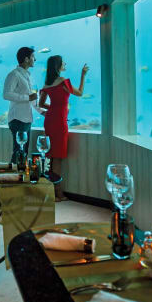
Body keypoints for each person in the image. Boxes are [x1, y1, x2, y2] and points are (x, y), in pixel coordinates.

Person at [39, 55, 88, 201]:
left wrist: (54, 109)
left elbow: (41, 104)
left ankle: (50, 192)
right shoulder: (63, 81)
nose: (65, 64)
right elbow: (80, 93)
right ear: (58, 66)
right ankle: (57, 193)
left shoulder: (47, 84)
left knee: (51, 156)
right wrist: (83, 75)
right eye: (63, 62)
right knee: (58, 157)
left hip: (49, 120)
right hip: (59, 122)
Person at [3, 47, 44, 164]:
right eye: (33, 57)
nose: (35, 59)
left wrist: (42, 112)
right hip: (17, 119)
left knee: (23, 152)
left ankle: (19, 173)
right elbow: (6, 94)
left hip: (26, 119)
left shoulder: (27, 76)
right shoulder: (14, 74)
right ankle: (13, 174)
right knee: (19, 152)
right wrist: (27, 98)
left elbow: (32, 98)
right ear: (26, 59)